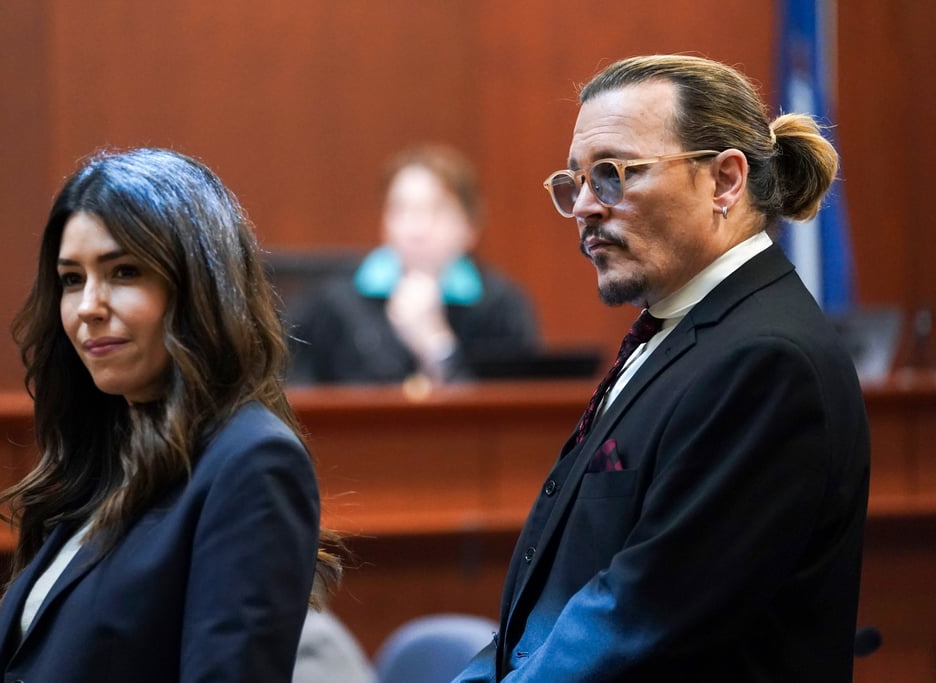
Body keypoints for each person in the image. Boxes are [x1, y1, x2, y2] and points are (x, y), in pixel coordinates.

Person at [454, 55, 870, 682]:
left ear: (725, 181)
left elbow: (640, 617)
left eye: (615, 175)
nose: (586, 208)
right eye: (576, 184)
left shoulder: (766, 359)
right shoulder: (681, 330)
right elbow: (564, 596)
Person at [0, 148, 340, 682]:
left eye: (123, 272)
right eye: (72, 279)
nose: (88, 306)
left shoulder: (252, 462)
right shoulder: (105, 453)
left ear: (200, 287)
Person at [286, 144, 540, 385]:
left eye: (436, 210)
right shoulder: (333, 301)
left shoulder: (501, 306)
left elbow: (507, 415)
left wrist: (437, 346)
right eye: (400, 209)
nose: (416, 229)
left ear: (470, 226)